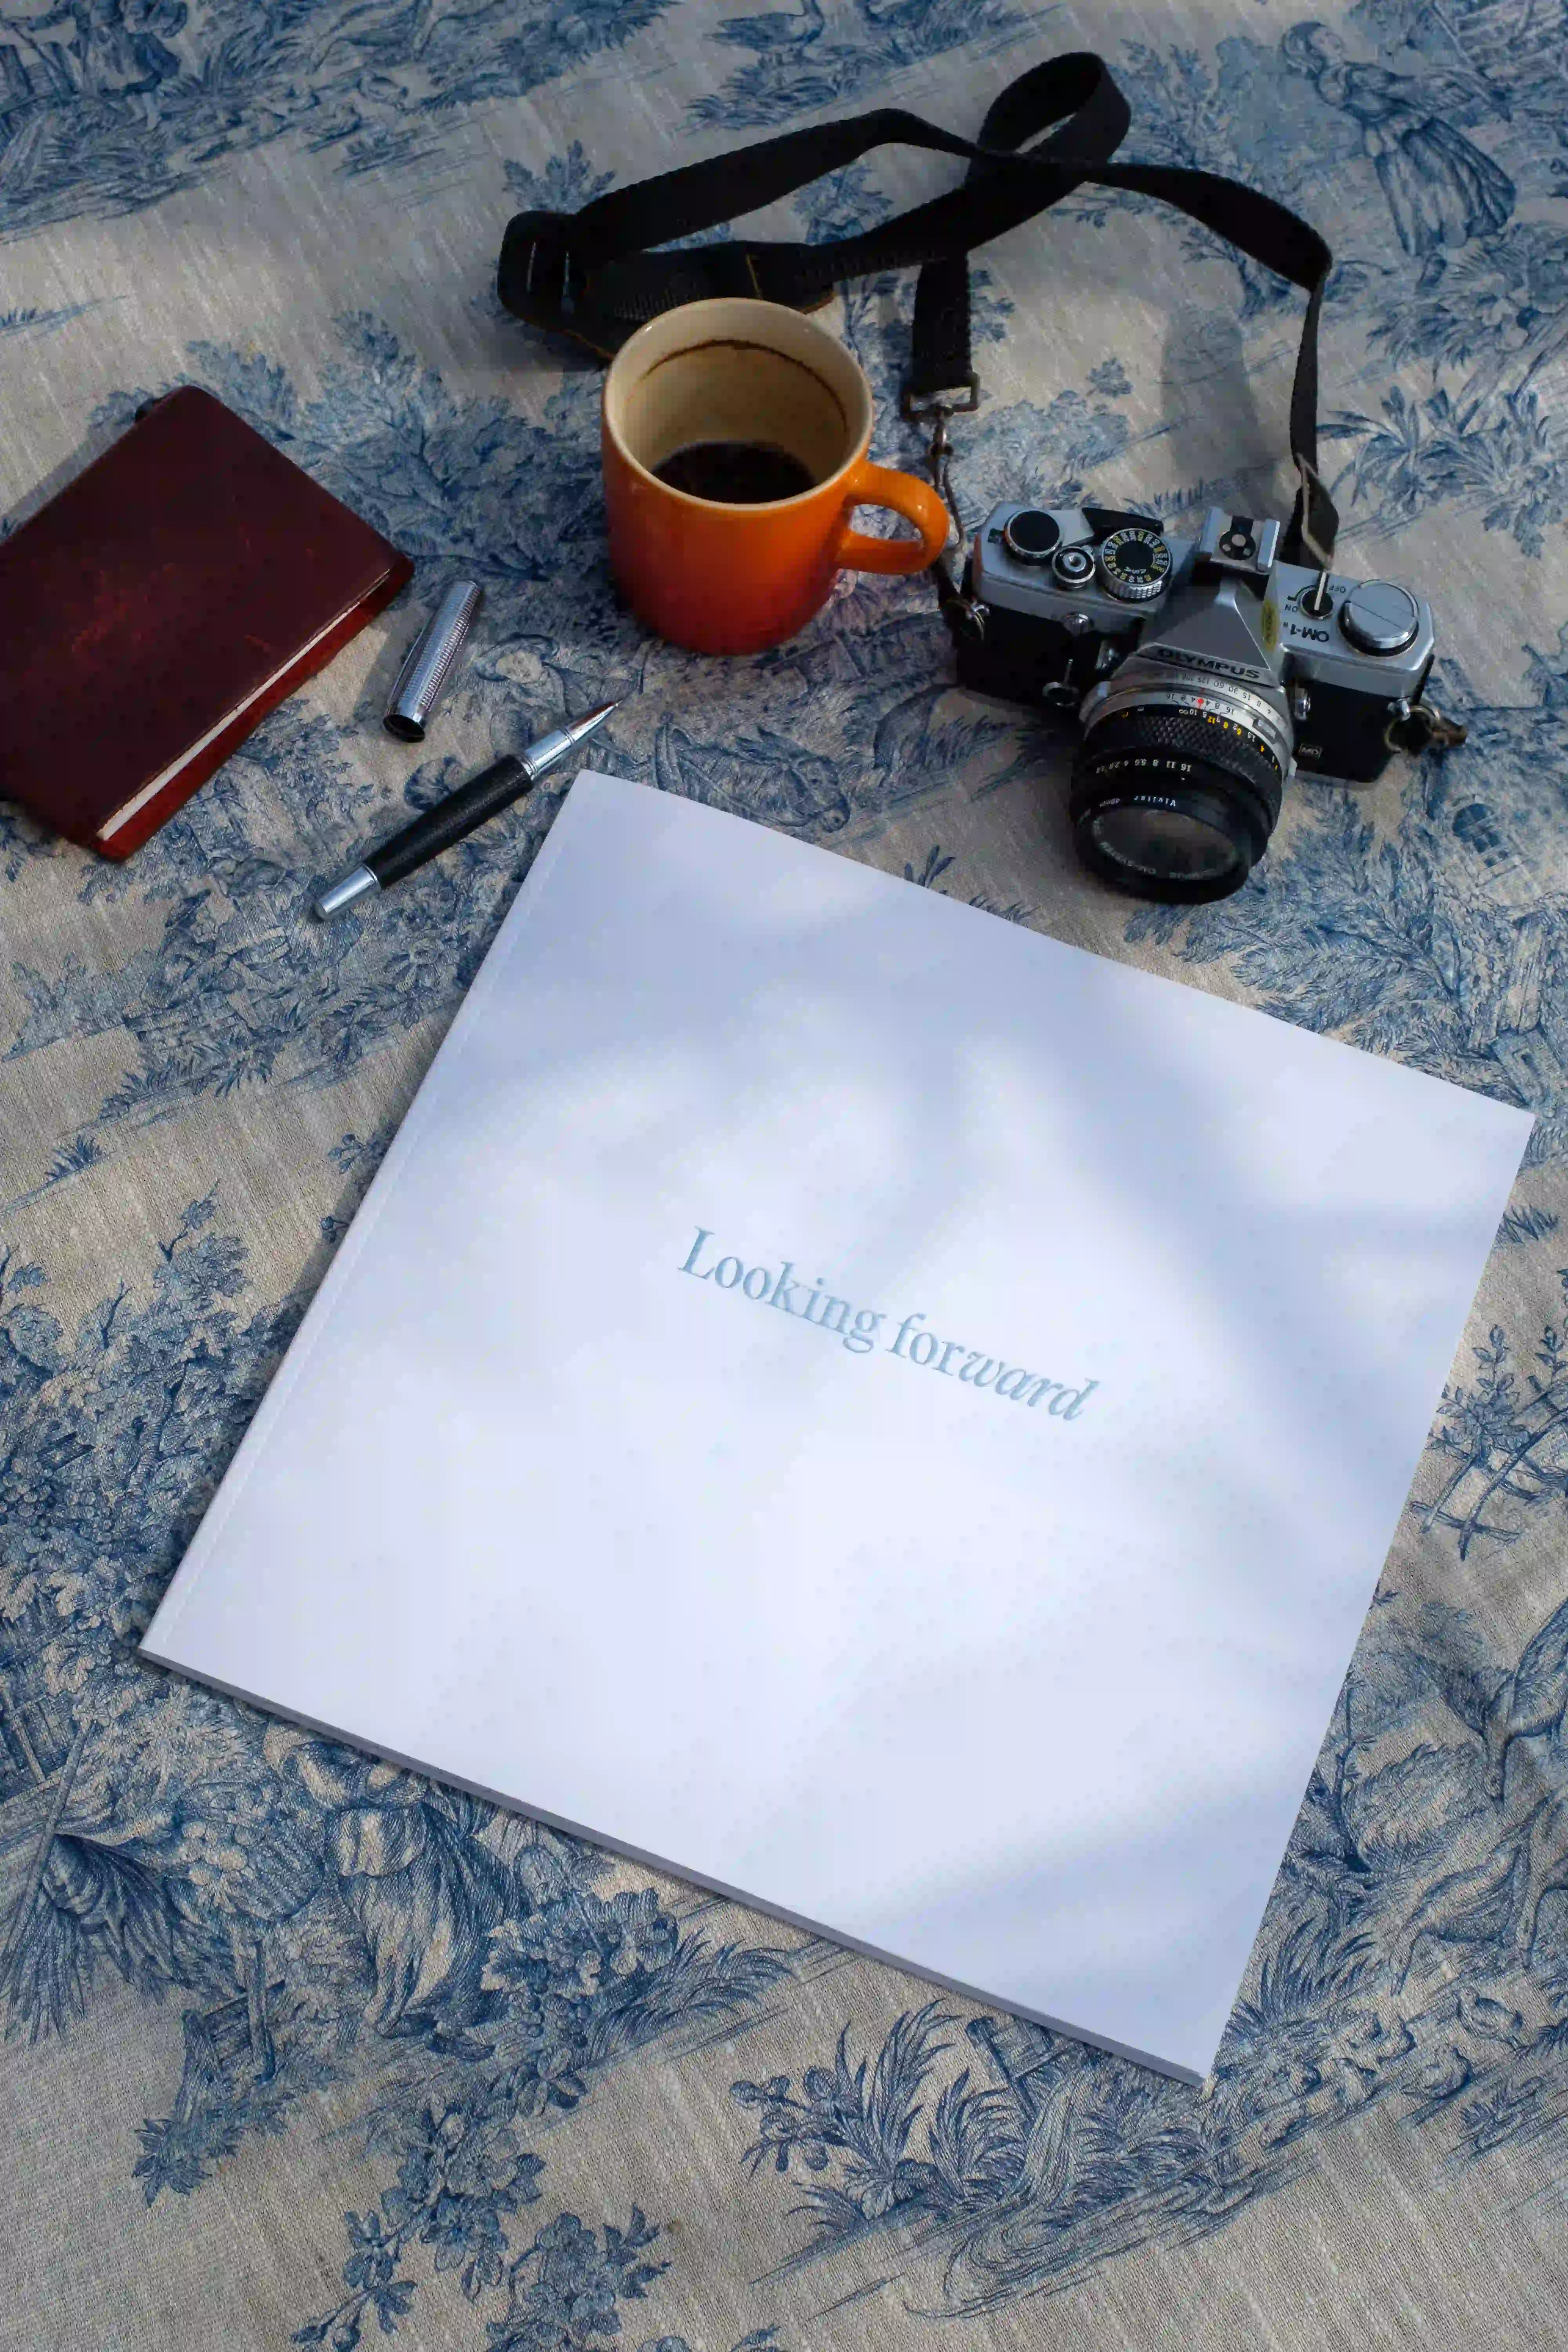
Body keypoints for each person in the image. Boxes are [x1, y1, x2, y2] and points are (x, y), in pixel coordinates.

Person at [1282, 22, 1514, 274]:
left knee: (1417, 191)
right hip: (1406, 132)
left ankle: (1471, 242)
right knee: (1451, 177)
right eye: (1323, 41)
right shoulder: (1352, 75)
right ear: (1313, 53)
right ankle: (1456, 247)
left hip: (1392, 135)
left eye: (1330, 34)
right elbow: (1405, 90)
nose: (1333, 40)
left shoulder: (1333, 79)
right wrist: (1452, 82)